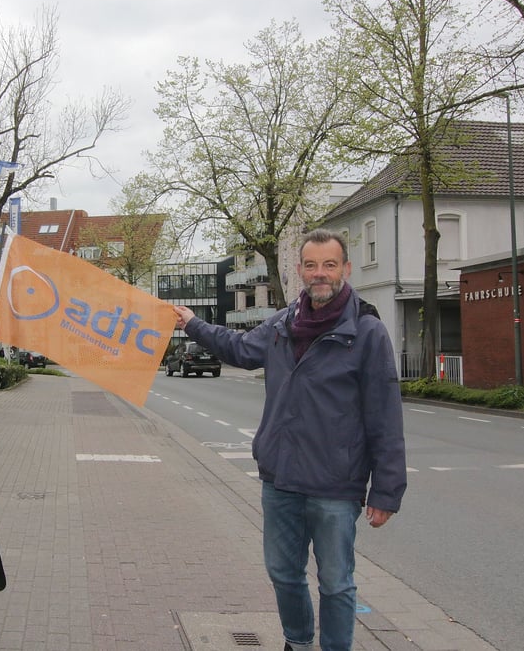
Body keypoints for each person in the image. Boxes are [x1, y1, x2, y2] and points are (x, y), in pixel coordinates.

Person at [172, 228, 406, 651]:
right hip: (280, 480)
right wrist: (193, 323)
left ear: (345, 270)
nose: (320, 274)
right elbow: (241, 349)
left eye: (329, 265)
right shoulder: (282, 324)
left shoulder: (367, 331)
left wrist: (387, 490)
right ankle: (297, 643)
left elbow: (385, 415)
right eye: (312, 265)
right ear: (299, 270)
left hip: (336, 484)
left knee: (335, 583)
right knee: (283, 573)